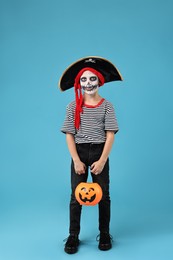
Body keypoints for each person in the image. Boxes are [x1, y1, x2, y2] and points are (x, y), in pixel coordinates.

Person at [59, 56, 123, 254]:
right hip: (79, 152)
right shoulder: (72, 106)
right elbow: (69, 135)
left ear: (100, 81)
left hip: (99, 151)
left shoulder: (107, 106)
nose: (88, 83)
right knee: (76, 196)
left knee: (103, 195)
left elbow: (110, 134)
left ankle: (104, 233)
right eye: (84, 80)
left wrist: (102, 159)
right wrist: (77, 160)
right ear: (79, 83)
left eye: (92, 79)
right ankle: (73, 235)